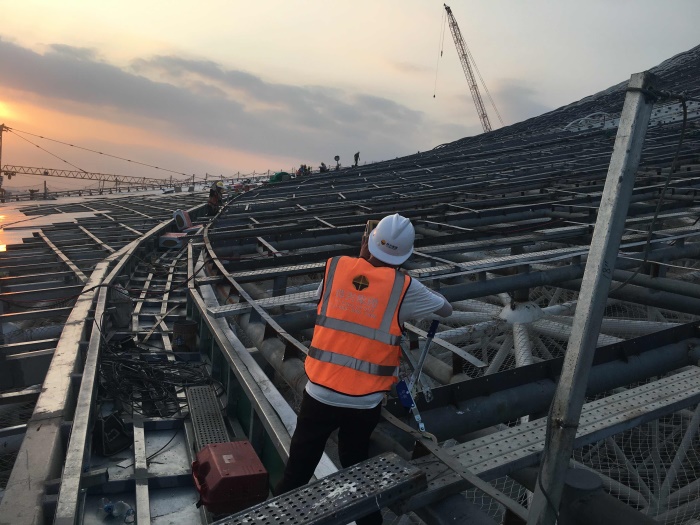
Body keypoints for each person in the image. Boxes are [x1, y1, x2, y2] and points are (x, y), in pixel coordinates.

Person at [274, 213, 452, 525]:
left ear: (368, 242)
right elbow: (445, 309)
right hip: (364, 402)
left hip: (319, 393)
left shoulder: (337, 268)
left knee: (296, 474)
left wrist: (361, 266)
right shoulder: (405, 288)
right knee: (357, 469)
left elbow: (327, 298)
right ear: (405, 255)